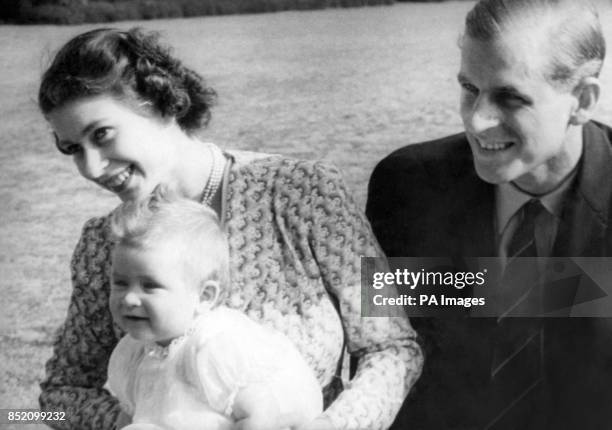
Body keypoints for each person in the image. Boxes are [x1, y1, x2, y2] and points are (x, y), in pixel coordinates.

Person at [38, 28, 423, 430]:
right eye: (73, 149)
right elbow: (56, 396)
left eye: (101, 135)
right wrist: (125, 422)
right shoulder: (104, 246)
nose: (91, 167)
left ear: (160, 104)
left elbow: (392, 348)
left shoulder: (304, 193)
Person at [367, 0, 612, 429]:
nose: (477, 121)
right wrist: (593, 289)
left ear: (583, 100)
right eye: (469, 88)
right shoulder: (406, 185)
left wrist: (454, 288)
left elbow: (419, 296)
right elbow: (381, 330)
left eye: (510, 97)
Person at [107, 189, 322, 430]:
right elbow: (134, 414)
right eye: (121, 283)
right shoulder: (135, 351)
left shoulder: (213, 347)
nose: (130, 299)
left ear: (204, 297)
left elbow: (261, 416)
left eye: (150, 286)